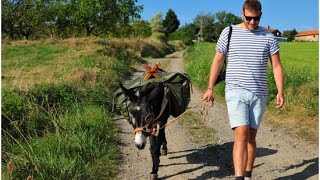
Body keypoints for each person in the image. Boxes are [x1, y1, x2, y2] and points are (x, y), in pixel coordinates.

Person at [202, 0, 284, 179]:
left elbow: (277, 66)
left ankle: (247, 175)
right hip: (235, 91)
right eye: (249, 18)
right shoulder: (229, 32)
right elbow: (218, 60)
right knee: (241, 135)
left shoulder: (269, 37)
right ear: (242, 14)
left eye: (256, 18)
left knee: (251, 138)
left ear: (261, 15)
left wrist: (280, 91)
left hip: (259, 93)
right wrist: (210, 87)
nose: (252, 22)